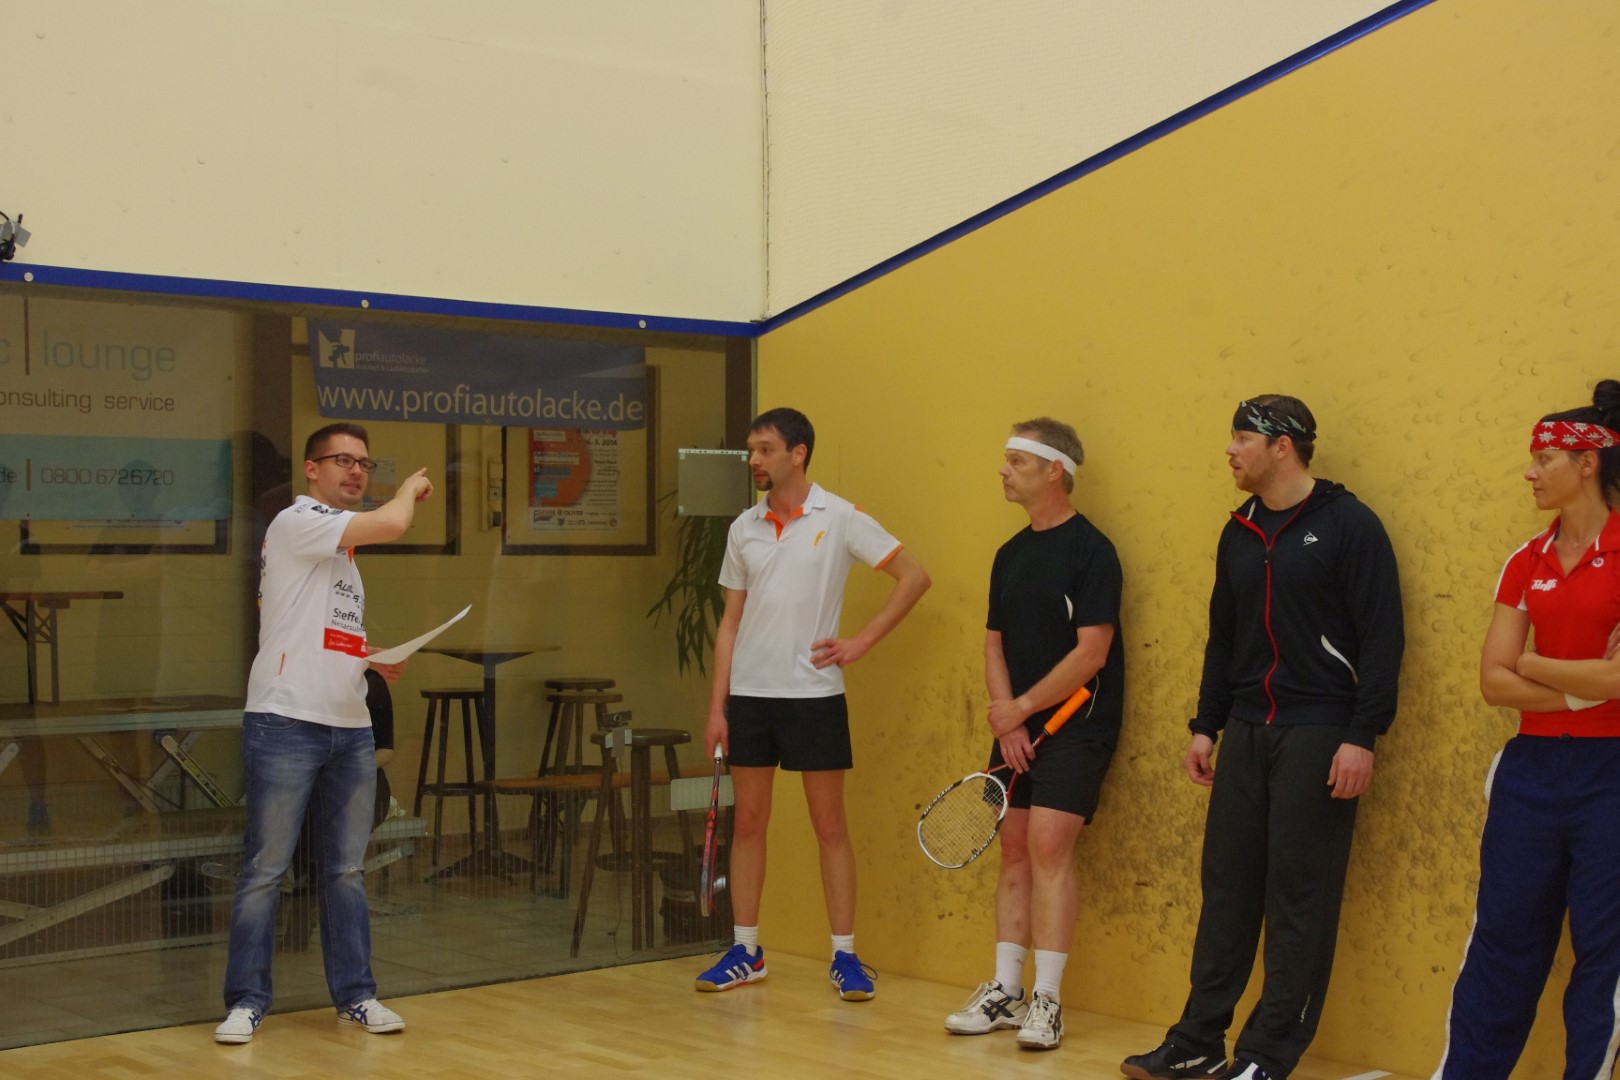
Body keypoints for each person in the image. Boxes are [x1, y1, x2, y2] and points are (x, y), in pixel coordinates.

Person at [1122, 396, 1404, 1080]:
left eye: (1241, 436)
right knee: (1227, 891)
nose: (1229, 449)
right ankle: (1197, 1040)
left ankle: (1266, 1057)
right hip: (1247, 730)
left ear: (1282, 447)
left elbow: (1383, 638)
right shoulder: (1240, 531)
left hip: (1320, 734)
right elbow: (1225, 637)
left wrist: (1362, 734)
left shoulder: (1350, 525)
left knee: (1298, 900)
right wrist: (1206, 725)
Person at [694, 407, 930, 1001]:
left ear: (798, 454)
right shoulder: (743, 528)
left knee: (829, 826)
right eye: (751, 450)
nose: (754, 460)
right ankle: (747, 950)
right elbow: (730, 623)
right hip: (749, 698)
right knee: (750, 823)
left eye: (765, 449)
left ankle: (845, 956)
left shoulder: (842, 517)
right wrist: (717, 708)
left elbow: (913, 577)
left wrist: (861, 642)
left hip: (814, 698)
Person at [215, 422, 432, 1045]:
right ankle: (246, 1002)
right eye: (342, 460)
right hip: (286, 721)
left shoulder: (342, 553)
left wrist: (371, 655)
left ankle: (356, 996)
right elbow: (393, 524)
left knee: (345, 870)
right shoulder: (297, 519)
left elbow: (324, 630)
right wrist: (408, 490)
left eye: (364, 462)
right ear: (311, 469)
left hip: (349, 726)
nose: (356, 471)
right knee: (266, 868)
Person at [1431, 380, 1620, 1079]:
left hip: (1612, 771)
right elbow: (1494, 681)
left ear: (1587, 463)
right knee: (1502, 941)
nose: (1530, 472)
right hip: (1530, 770)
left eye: (1544, 459)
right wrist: (1579, 683)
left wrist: (1535, 663)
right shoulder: (1525, 560)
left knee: (1605, 952)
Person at [943, 418, 1124, 1051]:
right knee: (1014, 847)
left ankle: (1047, 1000)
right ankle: (1005, 991)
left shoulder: (1093, 552)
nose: (1003, 469)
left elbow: (1092, 652)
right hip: (1015, 729)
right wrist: (1007, 716)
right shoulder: (1010, 554)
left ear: (1054, 471)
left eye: (1016, 461)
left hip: (1077, 727)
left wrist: (1021, 709)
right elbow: (993, 643)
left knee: (1048, 846)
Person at [281, 668, 396, 951]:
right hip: (316, 788)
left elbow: (386, 750)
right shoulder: (304, 680)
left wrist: (345, 766)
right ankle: (306, 924)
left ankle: (341, 936)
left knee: (336, 848)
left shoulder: (371, 683)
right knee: (306, 833)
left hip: (361, 785)